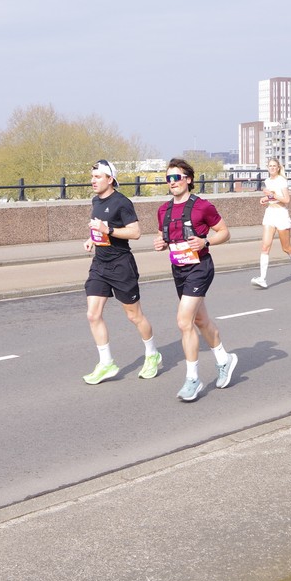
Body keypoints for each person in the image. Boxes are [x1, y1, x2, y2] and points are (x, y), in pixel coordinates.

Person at [152, 158, 238, 402]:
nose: (172, 182)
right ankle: (224, 359)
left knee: (184, 321)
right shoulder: (163, 210)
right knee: (200, 320)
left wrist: (205, 241)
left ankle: (193, 379)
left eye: (176, 177)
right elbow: (163, 237)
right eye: (168, 178)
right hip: (179, 269)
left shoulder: (202, 206)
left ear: (188, 179)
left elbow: (225, 232)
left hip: (200, 267)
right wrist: (160, 243)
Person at [80, 160, 160, 385]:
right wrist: (92, 239)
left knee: (134, 316)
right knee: (93, 314)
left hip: (121, 265)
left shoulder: (122, 202)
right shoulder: (96, 200)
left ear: (110, 179)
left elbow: (135, 232)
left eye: (98, 177)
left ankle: (152, 354)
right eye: (92, 177)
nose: (93, 181)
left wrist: (108, 230)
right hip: (100, 264)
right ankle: (106, 363)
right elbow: (100, 227)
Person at [250, 158, 291, 288]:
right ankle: (262, 278)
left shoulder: (282, 181)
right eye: (270, 166)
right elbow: (273, 197)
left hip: (281, 214)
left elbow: (286, 200)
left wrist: (272, 195)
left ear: (278, 168)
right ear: (267, 168)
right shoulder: (267, 181)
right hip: (270, 213)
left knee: (286, 247)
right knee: (265, 246)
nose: (272, 168)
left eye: (274, 166)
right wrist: (266, 199)